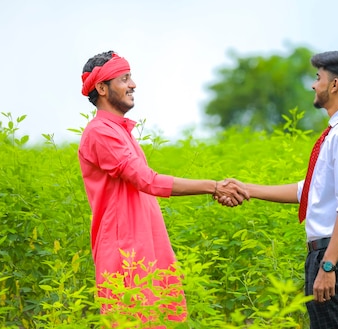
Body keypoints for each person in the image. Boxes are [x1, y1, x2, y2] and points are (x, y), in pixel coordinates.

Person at [78, 50, 248, 326]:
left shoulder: (119, 131)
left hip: (146, 248)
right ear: (102, 88)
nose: (133, 84)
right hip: (125, 255)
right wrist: (214, 186)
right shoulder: (100, 132)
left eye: (130, 77)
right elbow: (148, 181)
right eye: (124, 78)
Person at [223, 51, 338, 329]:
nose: (313, 85)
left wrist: (328, 266)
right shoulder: (337, 133)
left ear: (334, 85)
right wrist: (248, 189)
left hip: (334, 256)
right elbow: (309, 191)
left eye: (318, 78)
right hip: (324, 254)